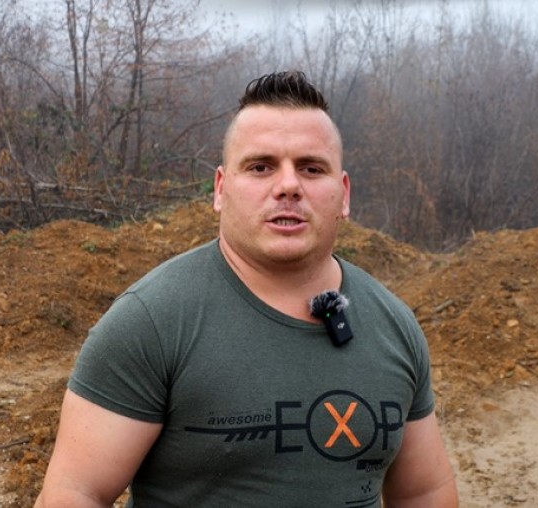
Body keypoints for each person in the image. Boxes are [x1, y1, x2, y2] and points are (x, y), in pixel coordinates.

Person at [35, 70, 458, 507]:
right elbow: (74, 492)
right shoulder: (151, 322)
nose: (289, 186)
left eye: (311, 168)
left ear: (344, 193)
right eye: (260, 167)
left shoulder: (394, 324)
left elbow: (424, 492)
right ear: (221, 189)